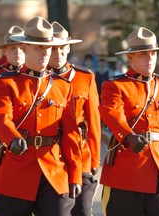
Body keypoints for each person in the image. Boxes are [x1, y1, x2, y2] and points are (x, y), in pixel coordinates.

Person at [0, 16, 82, 216]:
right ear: (25, 48)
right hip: (18, 167)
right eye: (38, 48)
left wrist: (76, 175)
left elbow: (72, 134)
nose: (45, 54)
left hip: (53, 169)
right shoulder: (6, 83)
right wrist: (12, 139)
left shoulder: (63, 86)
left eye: (48, 48)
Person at [99, 26, 159, 216]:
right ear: (130, 57)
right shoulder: (115, 86)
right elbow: (112, 113)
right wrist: (128, 136)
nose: (150, 58)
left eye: (152, 53)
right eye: (143, 54)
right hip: (128, 171)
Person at [48, 21, 101, 216]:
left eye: (62, 48)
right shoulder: (38, 80)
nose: (58, 53)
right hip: (51, 154)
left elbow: (94, 122)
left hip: (81, 154)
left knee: (83, 211)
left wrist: (94, 160)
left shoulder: (84, 77)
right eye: (53, 49)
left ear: (68, 48)